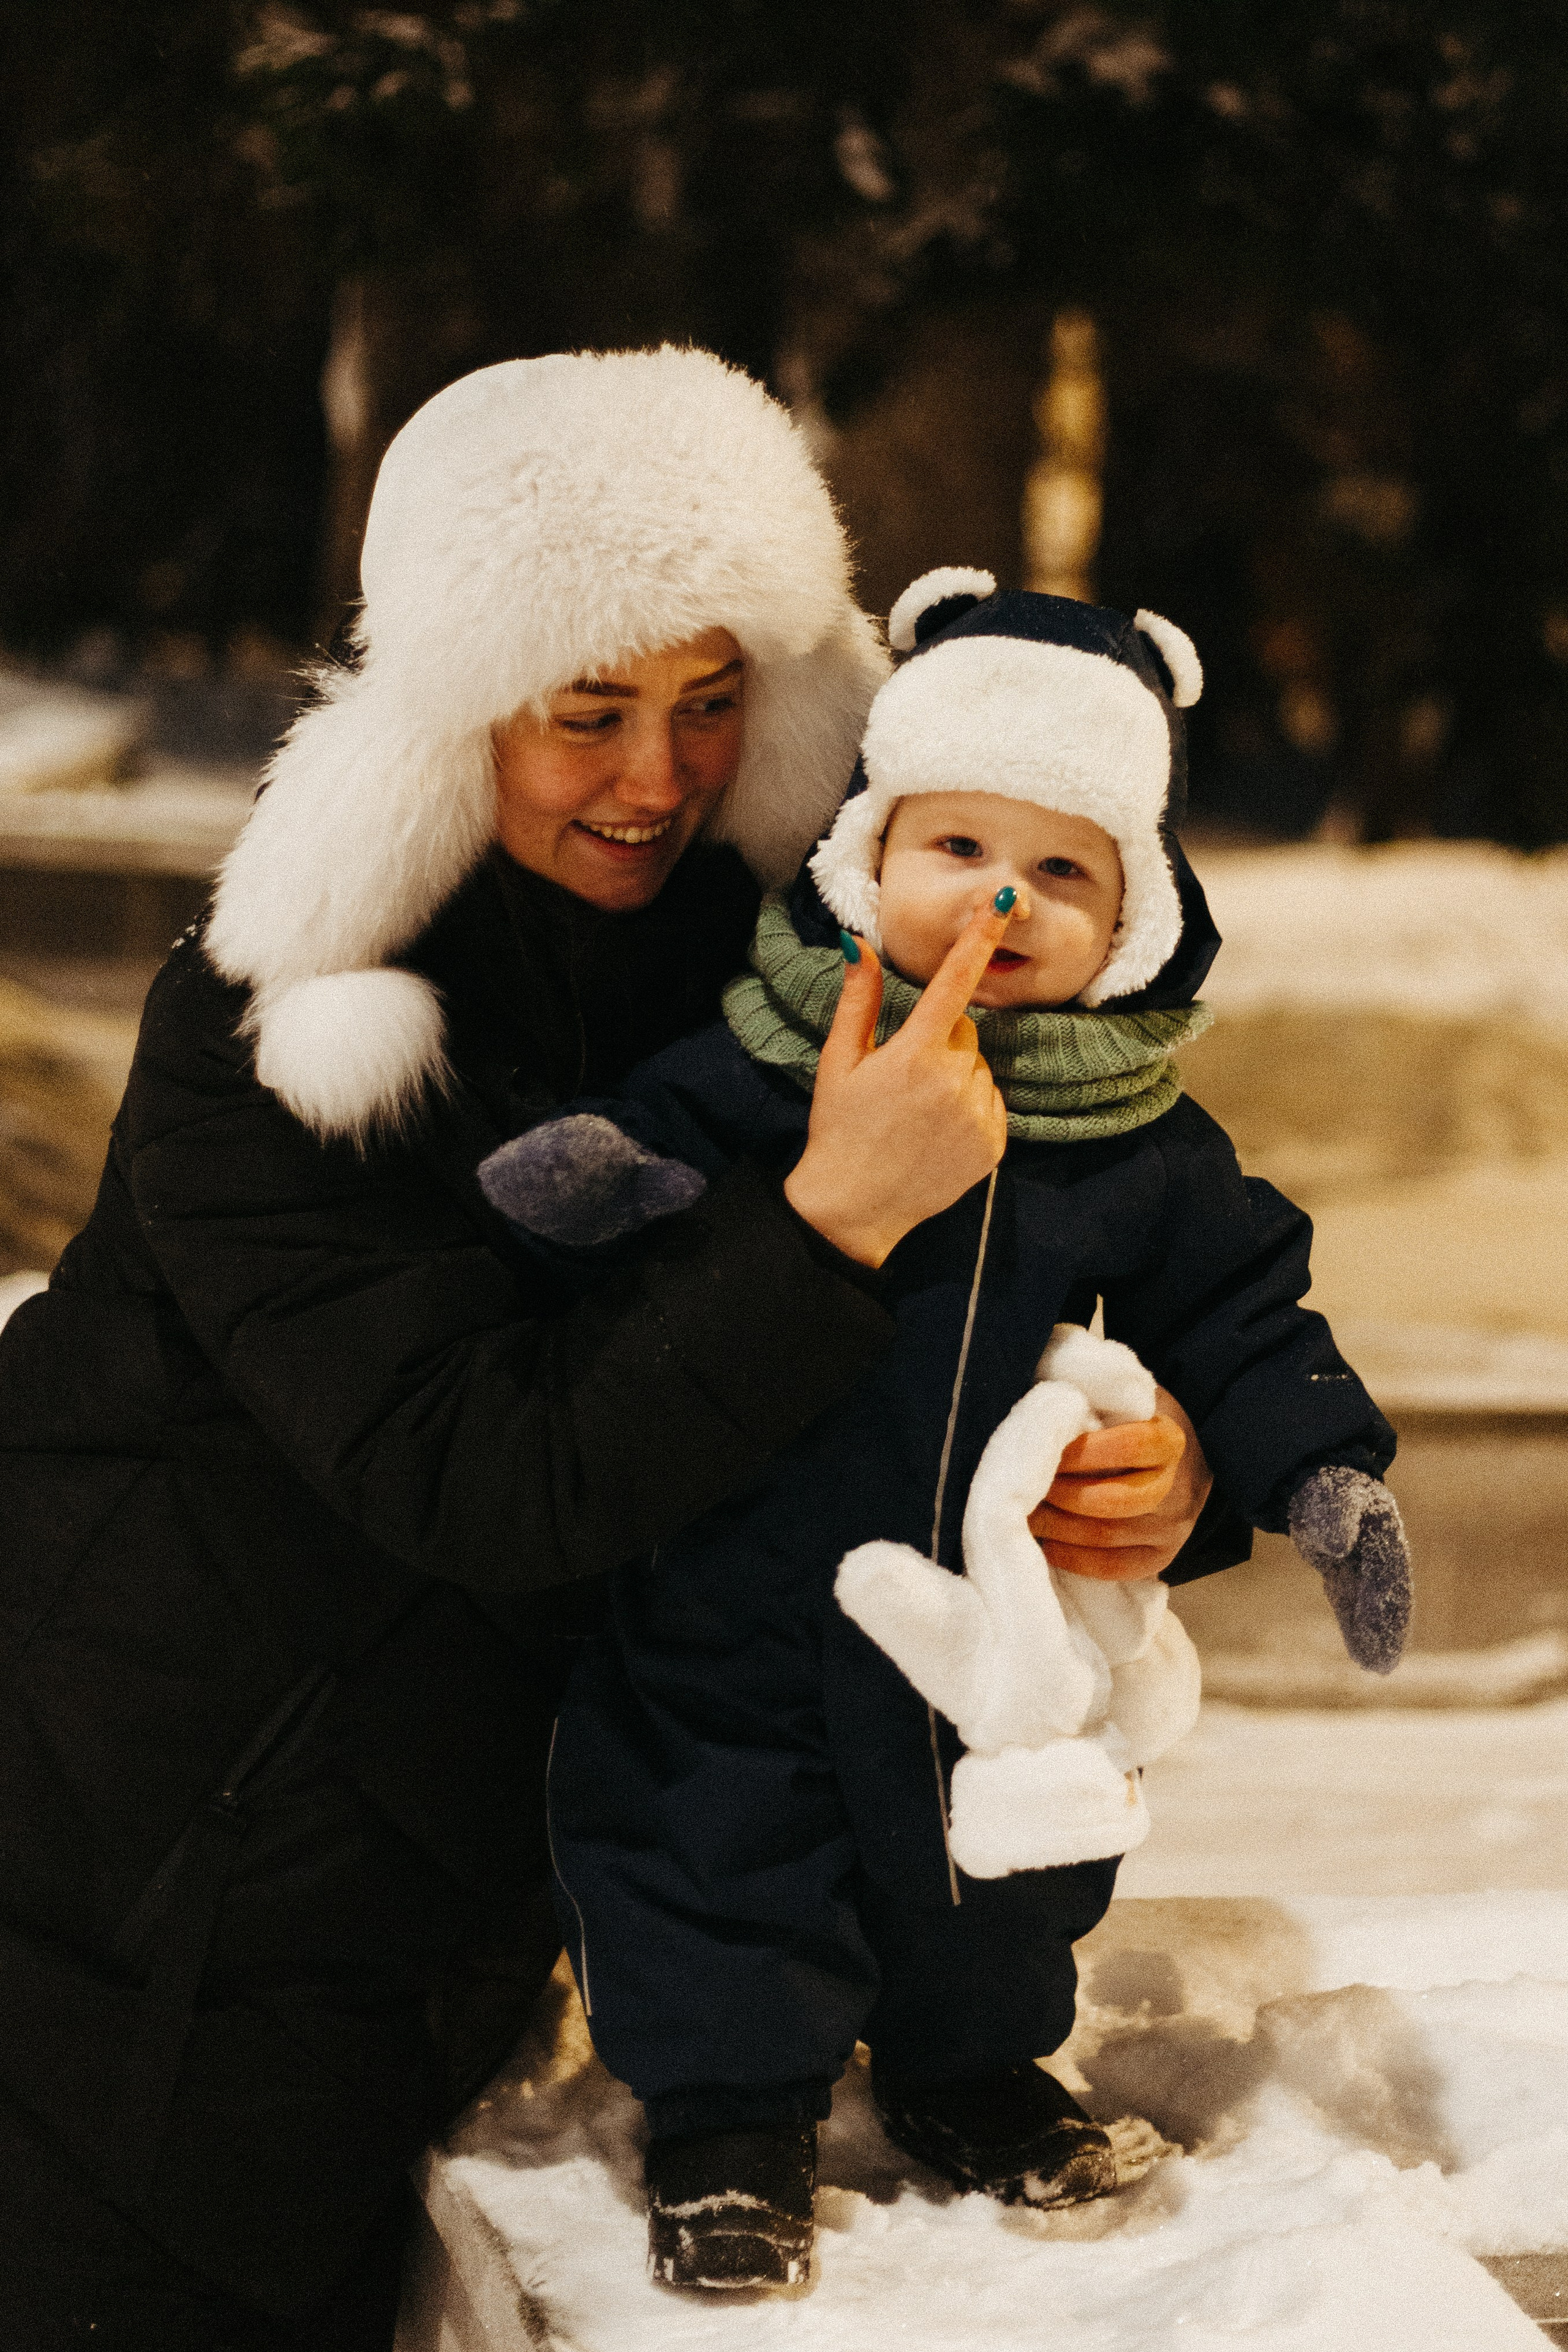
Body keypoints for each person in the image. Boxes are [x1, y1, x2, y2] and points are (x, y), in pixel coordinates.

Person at [0, 357, 1216, 2351]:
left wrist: (1167, 1467)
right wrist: (825, 1227)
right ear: (455, 712)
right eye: (589, 715)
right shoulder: (282, 1040)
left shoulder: (767, 975)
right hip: (140, 1903)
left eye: (712, 701)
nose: (656, 776)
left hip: (466, 1888)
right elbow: (482, 1478)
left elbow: (1072, 1253)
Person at [480, 571, 1412, 2293]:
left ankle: (971, 2070)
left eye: (1063, 871)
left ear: (1137, 917)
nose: (1002, 897)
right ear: (867, 851)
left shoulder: (1143, 1145)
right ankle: (727, 2119)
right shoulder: (765, 1061)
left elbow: (1247, 1312)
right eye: (960, 846)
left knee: (1001, 1875)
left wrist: (1313, 1466)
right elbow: (654, 1158)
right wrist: (593, 1180)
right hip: (744, 1595)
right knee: (714, 1846)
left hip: (1000, 1633)